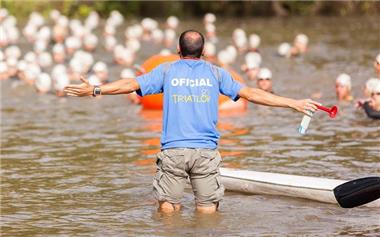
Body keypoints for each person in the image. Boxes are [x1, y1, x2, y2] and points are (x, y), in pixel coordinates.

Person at [64, 30, 320, 214]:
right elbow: (252, 94)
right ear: (204, 52)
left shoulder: (167, 70)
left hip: (174, 151)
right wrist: (293, 103)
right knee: (208, 213)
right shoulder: (216, 72)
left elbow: (129, 84)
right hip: (206, 153)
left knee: (167, 209)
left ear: (178, 51)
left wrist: (96, 90)